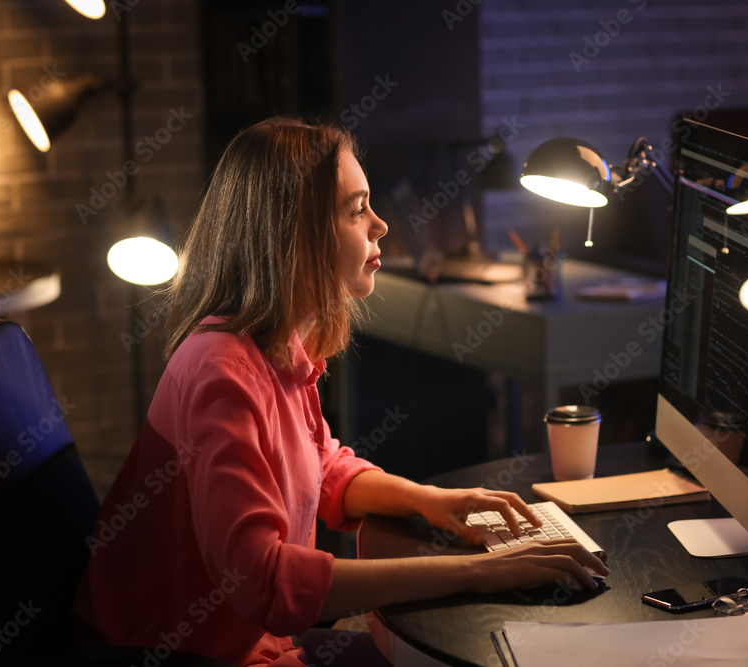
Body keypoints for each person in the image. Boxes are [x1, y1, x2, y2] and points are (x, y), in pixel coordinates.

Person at [72, 117, 608, 667]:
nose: (380, 226)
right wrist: (478, 571)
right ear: (292, 235)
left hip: (244, 642)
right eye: (357, 210)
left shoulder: (277, 348)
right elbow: (264, 584)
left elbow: (320, 465)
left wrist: (432, 501)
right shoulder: (221, 372)